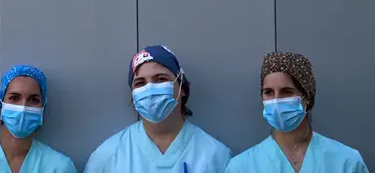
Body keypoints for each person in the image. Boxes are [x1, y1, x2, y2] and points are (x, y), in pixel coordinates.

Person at [85, 45, 231, 172]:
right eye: (140, 83)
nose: (150, 89)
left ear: (182, 87)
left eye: (160, 79)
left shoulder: (215, 156)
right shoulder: (107, 157)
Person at [225, 52, 369, 173]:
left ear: (307, 98)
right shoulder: (242, 167)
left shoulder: (346, 162)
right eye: (268, 92)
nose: (276, 101)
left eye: (287, 92)